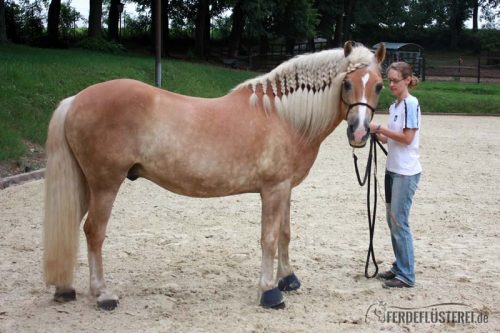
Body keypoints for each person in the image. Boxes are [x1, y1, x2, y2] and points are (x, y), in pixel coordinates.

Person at [369, 61, 421, 288]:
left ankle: (407, 275)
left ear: (407, 80)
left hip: (405, 172)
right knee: (393, 221)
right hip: (393, 170)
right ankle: (400, 267)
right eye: (389, 80)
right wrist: (373, 134)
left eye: (395, 81)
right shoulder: (395, 107)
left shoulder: (411, 104)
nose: (391, 85)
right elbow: (392, 138)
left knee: (399, 222)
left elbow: (407, 138)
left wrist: (380, 128)